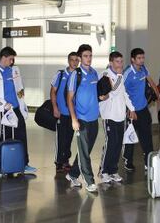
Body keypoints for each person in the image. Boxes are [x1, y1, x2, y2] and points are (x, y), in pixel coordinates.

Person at [0, 47, 37, 174]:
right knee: (2, 137)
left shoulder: (13, 71)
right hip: (2, 111)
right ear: (3, 57)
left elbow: (19, 87)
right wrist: (4, 104)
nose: (12, 61)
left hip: (16, 109)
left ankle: (24, 164)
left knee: (21, 136)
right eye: (10, 59)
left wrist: (21, 96)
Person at [65, 44, 104, 193]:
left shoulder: (94, 73)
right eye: (86, 56)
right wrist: (74, 119)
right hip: (81, 118)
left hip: (94, 117)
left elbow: (94, 94)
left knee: (85, 150)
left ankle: (72, 174)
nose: (89, 58)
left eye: (90, 55)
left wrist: (102, 96)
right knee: (83, 151)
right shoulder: (76, 74)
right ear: (80, 58)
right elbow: (70, 99)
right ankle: (89, 181)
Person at [98, 51, 137, 183]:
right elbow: (111, 92)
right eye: (117, 62)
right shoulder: (105, 75)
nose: (120, 64)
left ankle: (113, 170)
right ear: (111, 63)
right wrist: (119, 77)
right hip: (109, 116)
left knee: (118, 144)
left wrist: (132, 108)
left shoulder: (119, 76)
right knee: (110, 143)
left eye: (121, 61)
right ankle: (103, 171)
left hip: (121, 116)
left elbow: (124, 94)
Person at [122, 48, 159, 171]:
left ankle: (148, 162)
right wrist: (129, 109)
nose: (142, 60)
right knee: (130, 137)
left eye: (143, 57)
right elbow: (121, 92)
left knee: (147, 137)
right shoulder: (127, 73)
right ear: (133, 59)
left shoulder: (143, 69)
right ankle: (128, 161)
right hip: (131, 111)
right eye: (139, 58)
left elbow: (152, 83)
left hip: (143, 109)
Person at [50, 52, 79, 172]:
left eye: (77, 60)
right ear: (68, 61)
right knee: (61, 139)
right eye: (72, 60)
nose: (75, 62)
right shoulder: (60, 74)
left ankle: (65, 161)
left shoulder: (79, 75)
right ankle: (59, 162)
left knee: (69, 139)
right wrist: (55, 108)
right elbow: (52, 92)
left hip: (72, 114)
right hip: (61, 113)